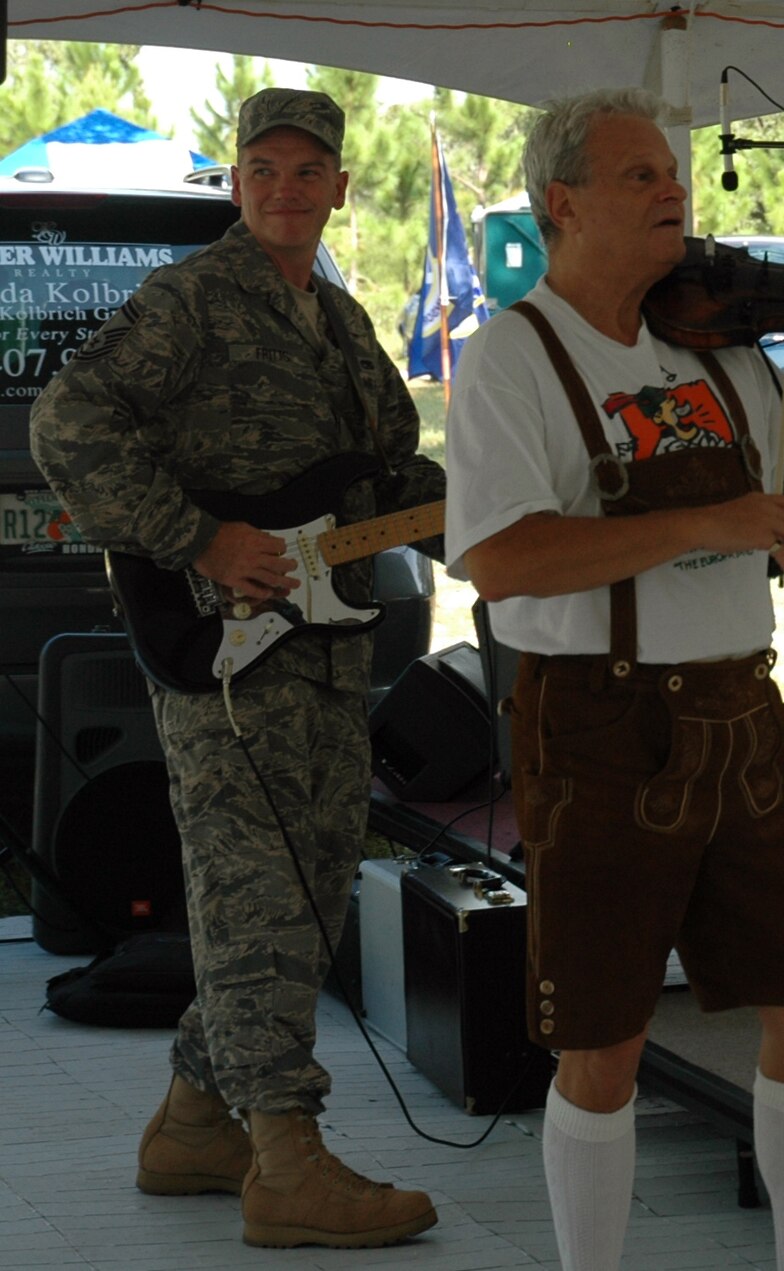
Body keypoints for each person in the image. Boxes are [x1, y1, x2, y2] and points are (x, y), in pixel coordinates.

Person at [441, 89, 784, 1271]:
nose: (675, 192)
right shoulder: (511, 355)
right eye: (640, 176)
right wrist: (711, 518)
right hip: (598, 720)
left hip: (737, 713)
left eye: (672, 173)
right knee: (603, 1043)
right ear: (561, 203)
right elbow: (499, 558)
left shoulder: (723, 351)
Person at [29, 89, 442, 1247]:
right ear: (236, 182)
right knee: (254, 894)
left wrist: (496, 513)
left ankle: (193, 1126)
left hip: (328, 650)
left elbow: (389, 474)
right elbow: (67, 422)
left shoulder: (341, 319)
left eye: (308, 171)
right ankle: (285, 1159)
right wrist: (199, 538)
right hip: (226, 652)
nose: (284, 189)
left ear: (340, 188)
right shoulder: (191, 299)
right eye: (263, 168)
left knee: (306, 893)